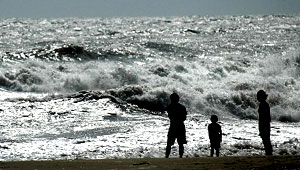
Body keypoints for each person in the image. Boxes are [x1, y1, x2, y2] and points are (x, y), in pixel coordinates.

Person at [165, 92, 187, 158]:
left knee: (169, 143)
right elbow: (184, 118)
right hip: (180, 126)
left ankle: (167, 156)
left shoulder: (169, 107)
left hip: (173, 126)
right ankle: (180, 156)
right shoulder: (182, 107)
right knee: (180, 143)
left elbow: (170, 116)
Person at [257, 90, 273, 155]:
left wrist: (261, 128)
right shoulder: (265, 104)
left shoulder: (263, 104)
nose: (257, 98)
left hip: (264, 125)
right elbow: (268, 117)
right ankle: (269, 153)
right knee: (266, 140)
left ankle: (269, 153)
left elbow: (263, 117)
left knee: (266, 140)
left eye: (258, 96)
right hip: (266, 125)